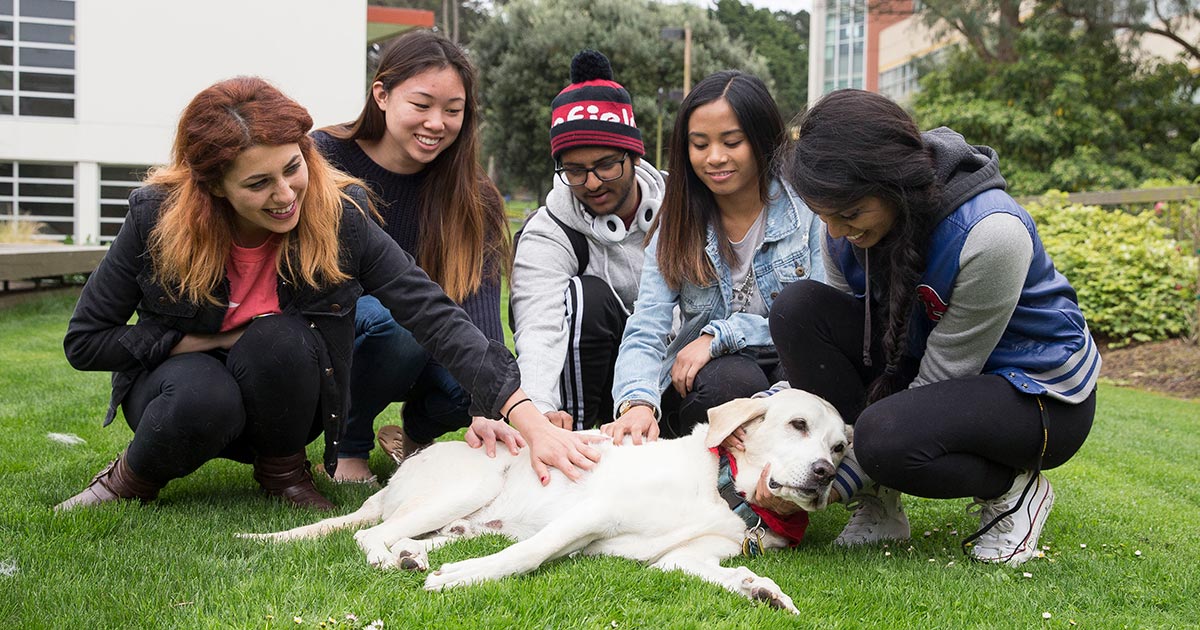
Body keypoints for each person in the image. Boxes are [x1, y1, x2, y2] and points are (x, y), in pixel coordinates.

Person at [55, 77, 601, 512]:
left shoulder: (341, 216)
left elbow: (430, 312)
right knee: (206, 394)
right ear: (213, 187)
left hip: (286, 394)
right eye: (258, 183)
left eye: (293, 167)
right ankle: (131, 479)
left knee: (280, 340)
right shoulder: (155, 215)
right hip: (180, 395)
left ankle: (284, 473)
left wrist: (526, 416)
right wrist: (191, 342)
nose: (286, 193)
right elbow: (85, 343)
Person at [766, 88, 1099, 566]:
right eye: (824, 216)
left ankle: (1016, 491)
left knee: (884, 439)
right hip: (927, 367)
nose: (836, 231)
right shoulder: (839, 228)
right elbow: (857, 343)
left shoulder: (990, 232)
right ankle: (881, 506)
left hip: (1038, 395)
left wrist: (842, 475)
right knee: (798, 309)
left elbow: (948, 371)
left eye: (850, 214)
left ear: (894, 184)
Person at [312, 30, 514, 482]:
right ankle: (350, 444)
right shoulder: (325, 158)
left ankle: (415, 432)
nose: (437, 122)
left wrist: (491, 404)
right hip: (340, 333)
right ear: (381, 95)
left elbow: (480, 310)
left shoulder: (472, 192)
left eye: (453, 110)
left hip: (430, 338)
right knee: (394, 323)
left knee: (485, 387)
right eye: (421, 106)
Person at [603, 70, 825, 444]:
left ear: (761, 139)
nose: (715, 158)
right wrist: (637, 402)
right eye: (700, 144)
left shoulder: (808, 213)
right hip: (716, 381)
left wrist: (723, 334)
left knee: (802, 364)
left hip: (791, 367)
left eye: (732, 141)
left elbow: (821, 322)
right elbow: (647, 325)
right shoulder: (677, 222)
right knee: (736, 379)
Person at [510, 49, 666, 431]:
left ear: (634, 156)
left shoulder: (682, 208)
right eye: (575, 171)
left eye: (606, 165)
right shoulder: (549, 229)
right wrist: (540, 408)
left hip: (667, 367)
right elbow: (538, 326)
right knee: (587, 298)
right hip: (587, 380)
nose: (592, 182)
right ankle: (577, 437)